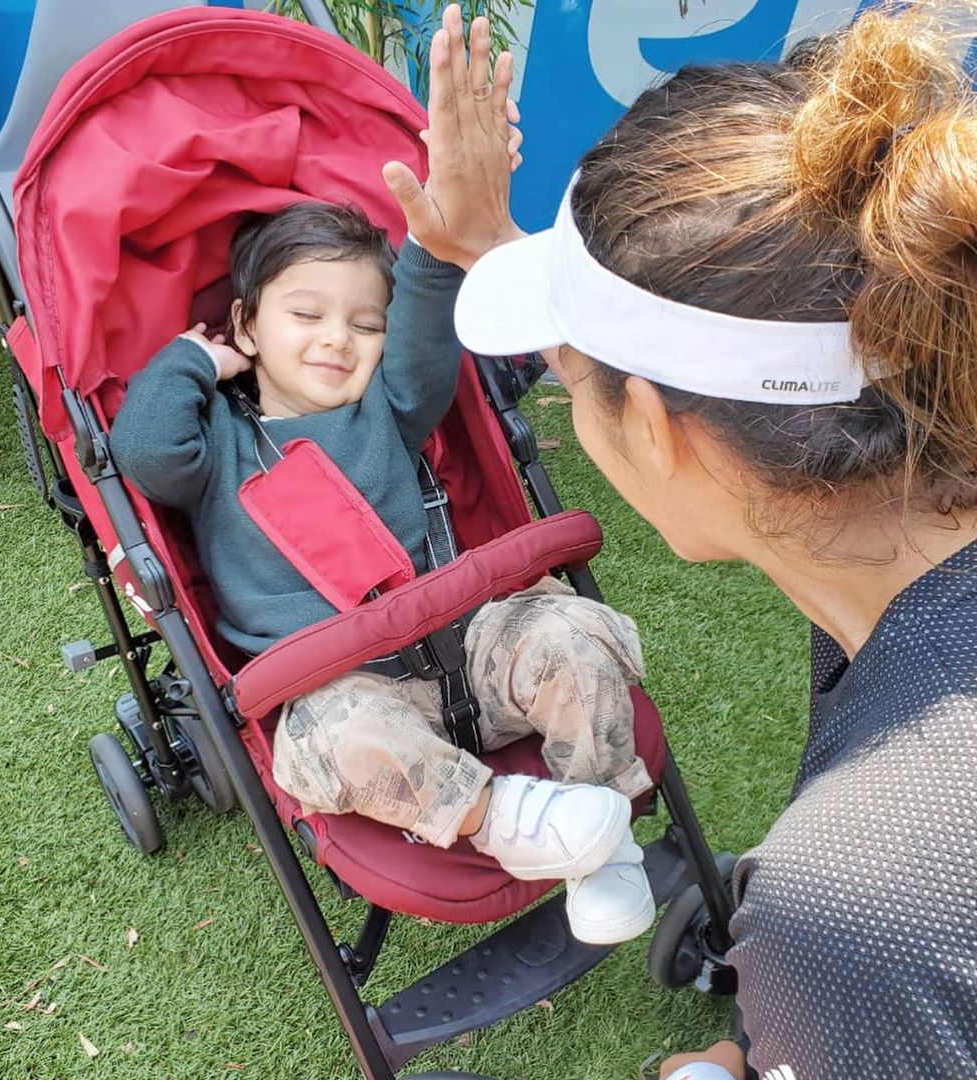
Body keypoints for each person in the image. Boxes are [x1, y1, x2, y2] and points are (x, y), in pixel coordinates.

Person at [391, 1, 977, 1077]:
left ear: (655, 430)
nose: (568, 397)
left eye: (570, 383)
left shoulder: (862, 905)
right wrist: (491, 252)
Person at [109, 19, 659, 948]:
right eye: (307, 315)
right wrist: (187, 361)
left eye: (363, 323)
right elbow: (147, 456)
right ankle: (509, 820)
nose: (338, 338)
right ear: (246, 325)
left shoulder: (390, 406)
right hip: (346, 680)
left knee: (569, 630)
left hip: (470, 640)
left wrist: (431, 247)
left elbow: (421, 324)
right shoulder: (213, 448)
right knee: (328, 741)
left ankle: (602, 834)